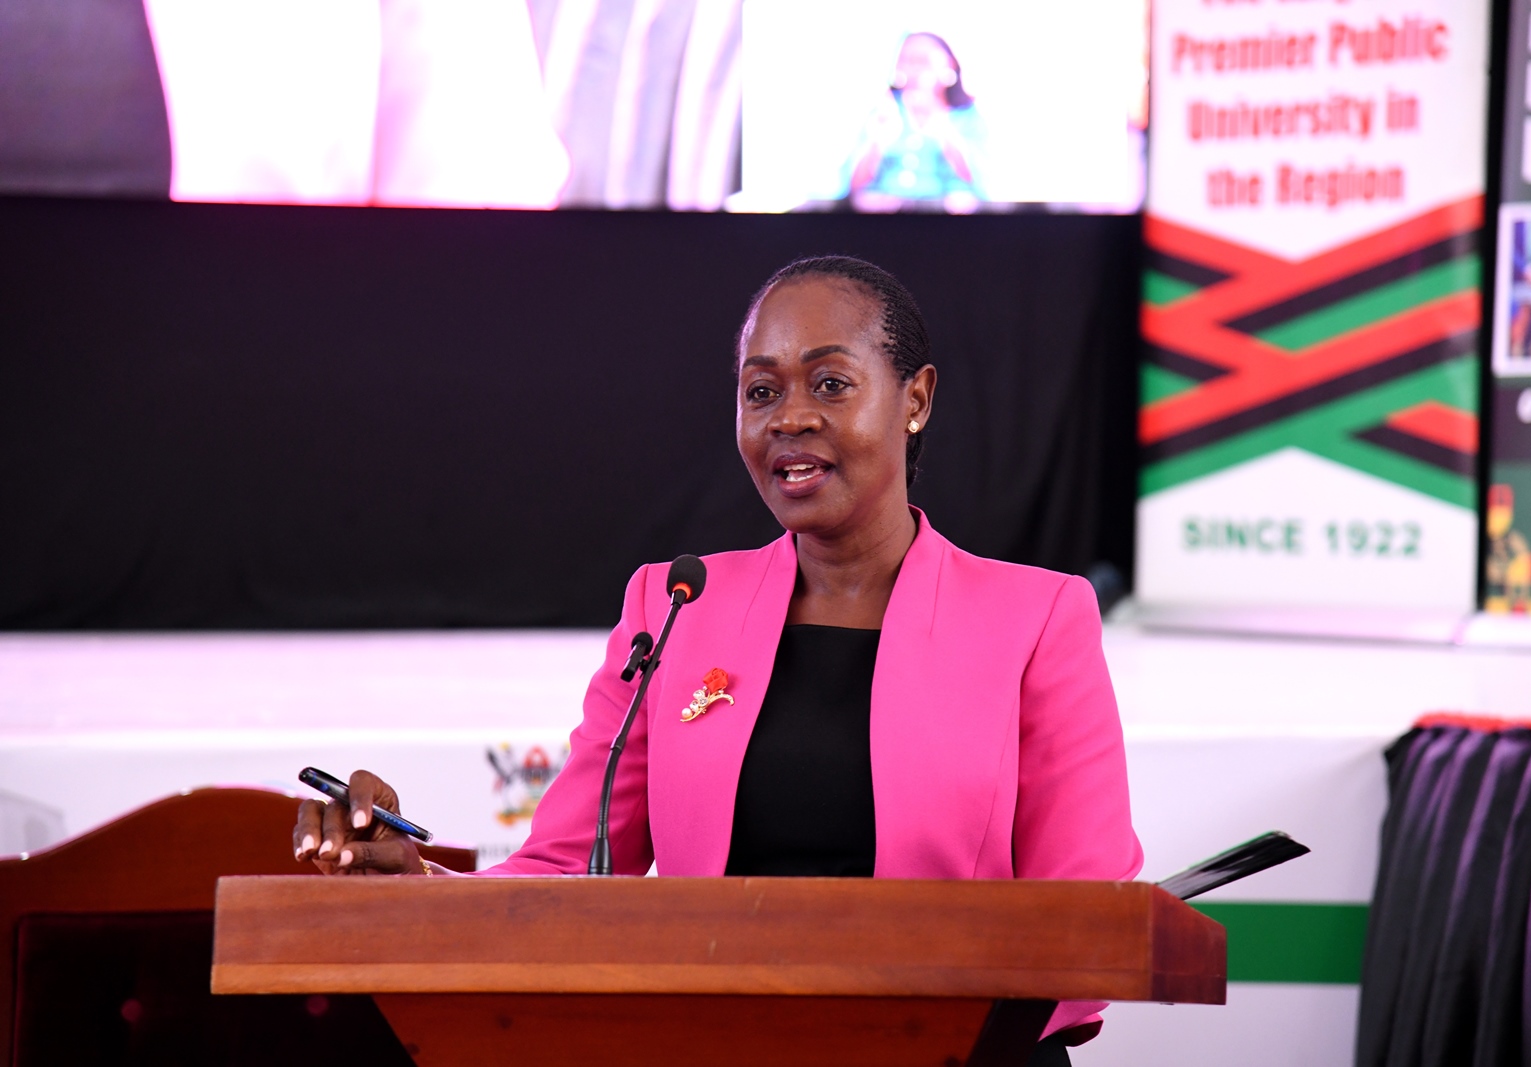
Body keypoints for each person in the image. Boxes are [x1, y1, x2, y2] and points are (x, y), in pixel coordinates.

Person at [293, 256, 1142, 1060]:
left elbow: (1084, 909)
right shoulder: (675, 606)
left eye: (832, 383)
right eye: (761, 390)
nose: (790, 417)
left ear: (915, 399)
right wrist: (413, 881)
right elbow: (567, 870)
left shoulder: (1037, 617)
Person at [844, 33, 989, 214]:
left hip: (948, 221)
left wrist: (942, 126)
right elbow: (852, 187)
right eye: (906, 60)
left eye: (923, 60)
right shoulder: (883, 111)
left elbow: (984, 186)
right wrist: (878, 140)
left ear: (949, 64)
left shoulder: (967, 115)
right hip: (885, 217)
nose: (913, 69)